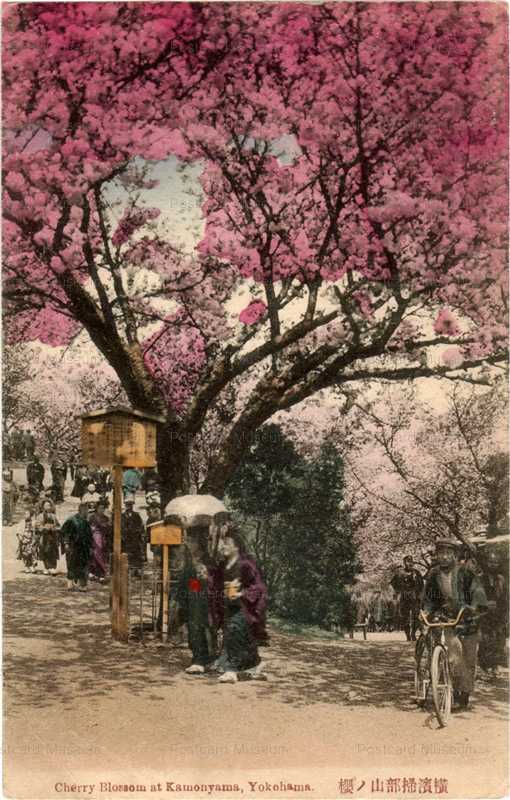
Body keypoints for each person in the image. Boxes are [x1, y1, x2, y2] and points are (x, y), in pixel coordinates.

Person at [421, 538, 488, 710]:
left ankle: (465, 694)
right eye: (440, 553)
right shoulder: (434, 575)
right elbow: (429, 598)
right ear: (436, 556)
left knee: (469, 659)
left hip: (468, 619)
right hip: (448, 619)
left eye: (448, 554)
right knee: (454, 655)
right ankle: (457, 691)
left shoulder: (466, 572)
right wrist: (427, 611)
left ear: (454, 556)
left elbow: (477, 591)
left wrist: (474, 608)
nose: (443, 557)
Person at [214, 525, 268, 684]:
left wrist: (241, 594)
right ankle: (255, 665)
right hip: (228, 606)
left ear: (236, 546)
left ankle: (232, 671)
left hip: (245, 607)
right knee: (241, 637)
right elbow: (215, 582)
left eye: (226, 543)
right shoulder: (223, 564)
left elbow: (259, 587)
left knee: (235, 632)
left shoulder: (246, 564)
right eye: (222, 543)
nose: (222, 546)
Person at [479, 551, 508, 678]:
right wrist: (484, 603)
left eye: (495, 563)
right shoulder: (479, 578)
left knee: (499, 640)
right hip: (484, 615)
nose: (493, 565)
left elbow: (506, 598)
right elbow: (474, 596)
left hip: (498, 614)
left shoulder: (501, 579)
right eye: (491, 562)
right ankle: (485, 666)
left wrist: (505, 613)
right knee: (485, 640)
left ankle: (495, 666)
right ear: (486, 563)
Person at [60, 503, 93, 591]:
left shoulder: (85, 522)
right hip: (73, 546)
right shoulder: (72, 520)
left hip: (83, 547)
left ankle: (82, 585)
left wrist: (90, 547)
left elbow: (89, 535)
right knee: (71, 564)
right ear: (81, 510)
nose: (87, 512)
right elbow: (65, 533)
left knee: (83, 565)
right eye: (86, 510)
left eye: (87, 510)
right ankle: (70, 584)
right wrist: (66, 544)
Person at [391, 556, 424, 641]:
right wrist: (399, 590)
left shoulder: (416, 573)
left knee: (416, 616)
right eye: (407, 561)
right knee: (404, 617)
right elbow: (393, 583)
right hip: (404, 597)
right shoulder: (400, 573)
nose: (409, 563)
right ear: (404, 563)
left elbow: (421, 585)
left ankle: (413, 634)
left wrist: (419, 594)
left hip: (414, 597)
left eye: (410, 561)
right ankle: (408, 635)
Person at [121, 496, 145, 576]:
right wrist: (124, 534)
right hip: (127, 538)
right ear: (125, 506)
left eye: (130, 505)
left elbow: (141, 526)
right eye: (127, 505)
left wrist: (138, 532)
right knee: (127, 553)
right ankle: (129, 570)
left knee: (136, 554)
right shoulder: (122, 516)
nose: (129, 507)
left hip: (135, 538)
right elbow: (121, 526)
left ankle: (137, 570)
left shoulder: (136, 515)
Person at [35, 500, 60, 575]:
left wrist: (53, 528)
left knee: (53, 551)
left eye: (49, 505)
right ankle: (46, 567)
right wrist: (44, 528)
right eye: (46, 505)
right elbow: (37, 525)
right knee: (45, 551)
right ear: (43, 507)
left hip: (52, 536)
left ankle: (52, 567)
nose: (48, 507)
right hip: (44, 536)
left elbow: (58, 525)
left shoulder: (53, 516)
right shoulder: (40, 516)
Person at [88, 501, 111, 583]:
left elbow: (108, 528)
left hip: (101, 538)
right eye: (100, 508)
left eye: (103, 508)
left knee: (100, 554)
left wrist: (104, 527)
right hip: (92, 537)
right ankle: (92, 572)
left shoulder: (106, 518)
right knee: (92, 554)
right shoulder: (92, 517)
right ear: (96, 509)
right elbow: (88, 526)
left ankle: (101, 574)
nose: (101, 510)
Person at [16, 504, 39, 573]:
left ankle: (32, 566)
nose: (25, 515)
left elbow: (36, 531)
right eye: (25, 513)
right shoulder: (22, 522)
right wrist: (20, 538)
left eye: (27, 513)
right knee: (25, 554)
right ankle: (27, 566)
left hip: (32, 540)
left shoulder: (34, 522)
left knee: (33, 553)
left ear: (31, 515)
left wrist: (35, 538)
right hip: (24, 540)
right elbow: (18, 531)